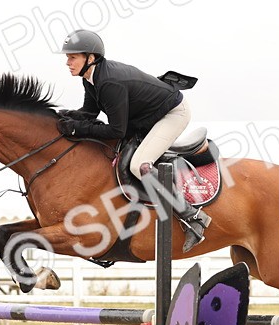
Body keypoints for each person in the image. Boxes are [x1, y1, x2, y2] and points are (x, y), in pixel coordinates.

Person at [56, 29, 210, 252]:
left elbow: (117, 130)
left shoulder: (109, 82)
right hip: (146, 117)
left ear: (90, 58)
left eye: (72, 57)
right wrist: (63, 117)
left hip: (173, 113)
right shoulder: (90, 78)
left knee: (140, 165)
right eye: (68, 58)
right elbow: (89, 114)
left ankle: (193, 217)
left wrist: (76, 129)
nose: (67, 62)